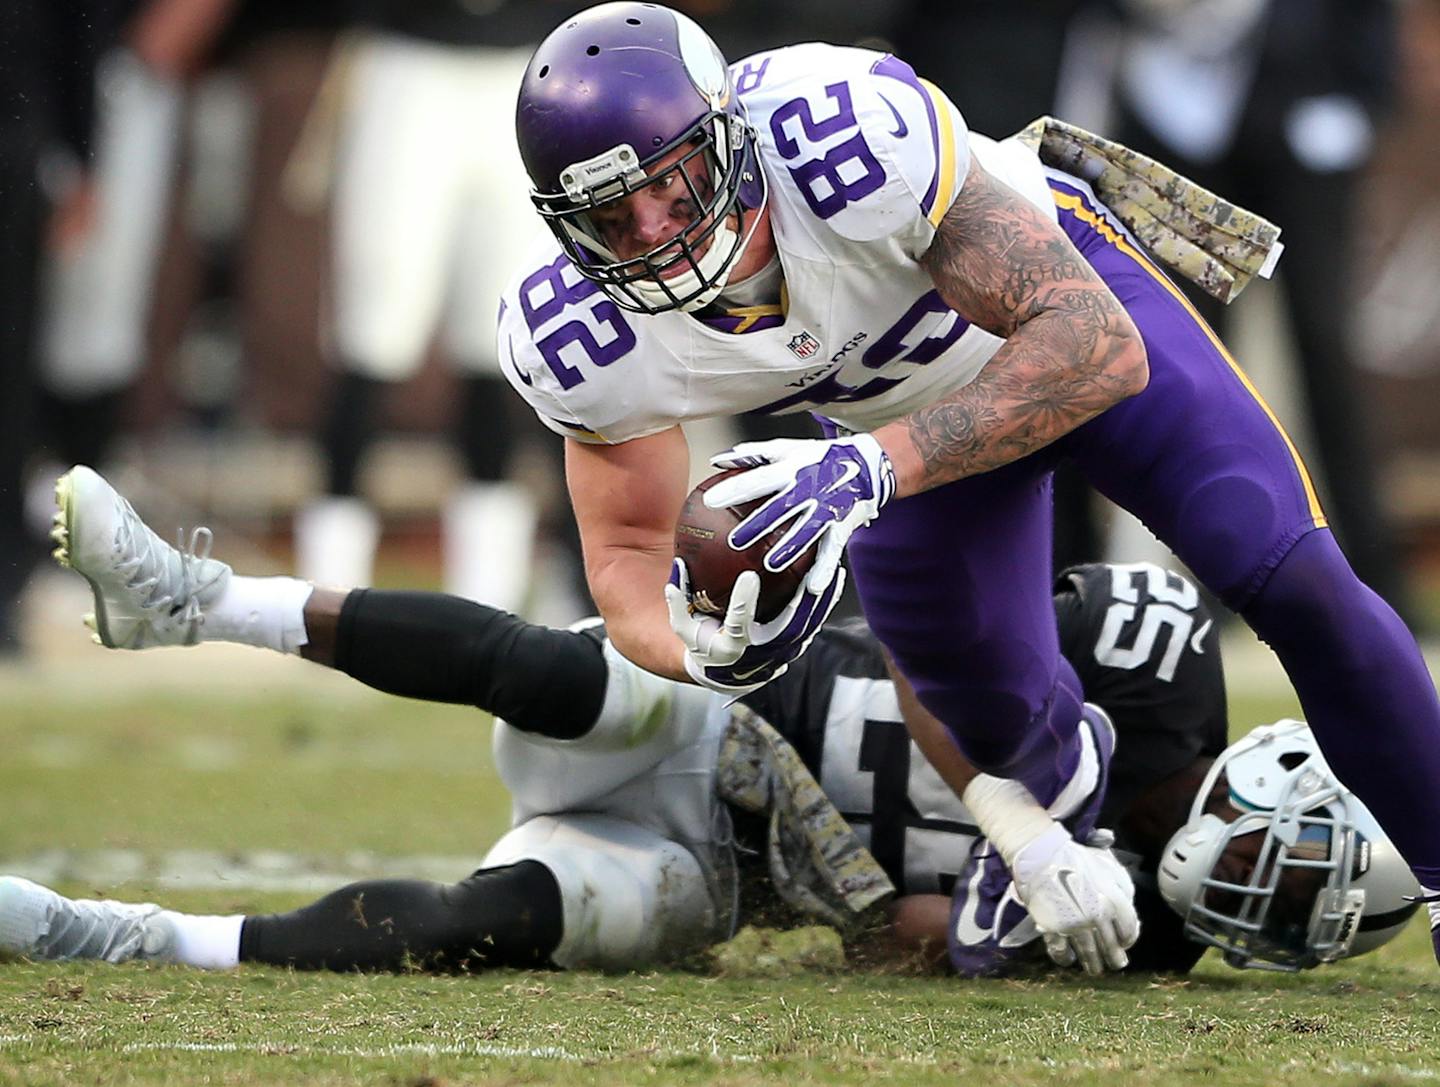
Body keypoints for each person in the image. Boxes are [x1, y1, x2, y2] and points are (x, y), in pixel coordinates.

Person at [493, 2, 1440, 964]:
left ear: (728, 137)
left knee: (1296, 579)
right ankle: (1053, 809)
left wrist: (869, 465)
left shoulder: (840, 132)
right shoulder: (579, 336)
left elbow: (1093, 347)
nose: (652, 231)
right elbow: (624, 560)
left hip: (1061, 320)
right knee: (983, 706)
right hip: (890, 438)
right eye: (610, 217)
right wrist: (707, 655)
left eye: (673, 184)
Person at [0, 465, 1419, 976]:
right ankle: (194, 597)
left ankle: (122, 934)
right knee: (551, 670)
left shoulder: (1159, 945)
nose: (1247, 880)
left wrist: (862, 893)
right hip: (720, 706)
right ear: (1303, 772)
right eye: (1284, 855)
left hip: (738, 874)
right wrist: (1022, 814)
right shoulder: (1157, 659)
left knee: (484, 921)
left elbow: (919, 942)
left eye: (1277, 906)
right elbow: (945, 620)